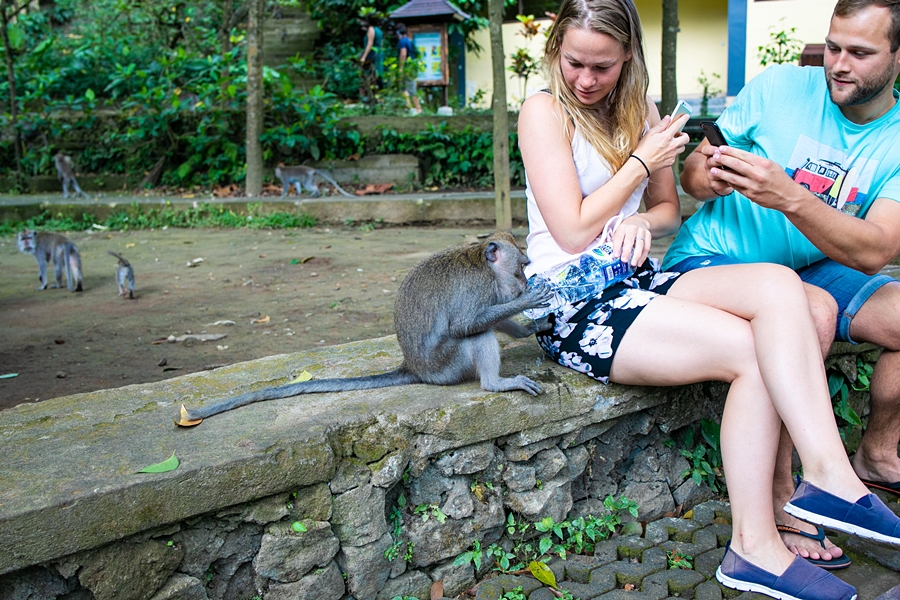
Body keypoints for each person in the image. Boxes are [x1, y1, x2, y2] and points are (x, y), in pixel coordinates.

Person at [519, 0, 900, 598]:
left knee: (781, 288)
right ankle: (755, 545)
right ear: (555, 54)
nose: (586, 81)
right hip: (574, 304)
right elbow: (569, 228)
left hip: (635, 281)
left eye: (603, 67)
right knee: (753, 352)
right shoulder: (543, 111)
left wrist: (647, 221)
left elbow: (669, 207)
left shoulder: (640, 111)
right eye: (574, 64)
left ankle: (827, 476)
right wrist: (644, 159)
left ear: (628, 60)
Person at [663, 0, 900, 570]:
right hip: (713, 259)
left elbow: (876, 249)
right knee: (809, 312)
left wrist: (789, 196)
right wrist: (710, 175)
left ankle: (878, 454)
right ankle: (785, 497)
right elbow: (695, 173)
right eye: (833, 47)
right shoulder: (776, 87)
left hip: (812, 264)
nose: (839, 65)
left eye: (860, 53)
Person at [396, 24, 423, 115]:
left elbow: (403, 54)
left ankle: (418, 109)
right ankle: (408, 107)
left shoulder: (402, 42)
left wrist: (401, 67)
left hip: (407, 68)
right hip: (412, 67)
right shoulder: (409, 40)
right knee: (404, 89)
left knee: (410, 89)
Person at [359, 16, 384, 103]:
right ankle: (379, 96)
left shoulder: (371, 29)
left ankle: (371, 96)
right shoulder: (379, 30)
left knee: (370, 75)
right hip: (379, 53)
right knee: (378, 74)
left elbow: (370, 43)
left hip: (372, 54)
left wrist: (364, 57)